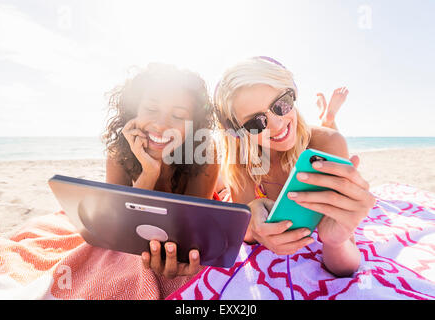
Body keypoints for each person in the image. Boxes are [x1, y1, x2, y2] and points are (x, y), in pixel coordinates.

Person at [213, 56, 375, 276]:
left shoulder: (328, 144)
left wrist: (335, 242)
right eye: (255, 123)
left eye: (281, 104)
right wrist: (252, 225)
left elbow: (346, 268)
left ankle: (327, 117)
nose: (277, 125)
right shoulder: (242, 162)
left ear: (293, 93)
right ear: (238, 133)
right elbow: (247, 233)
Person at [102, 63, 219, 279]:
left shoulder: (205, 156)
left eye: (178, 115)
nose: (161, 125)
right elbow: (119, 226)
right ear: (133, 111)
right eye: (151, 110)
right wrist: (149, 173)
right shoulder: (118, 155)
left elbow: (190, 233)